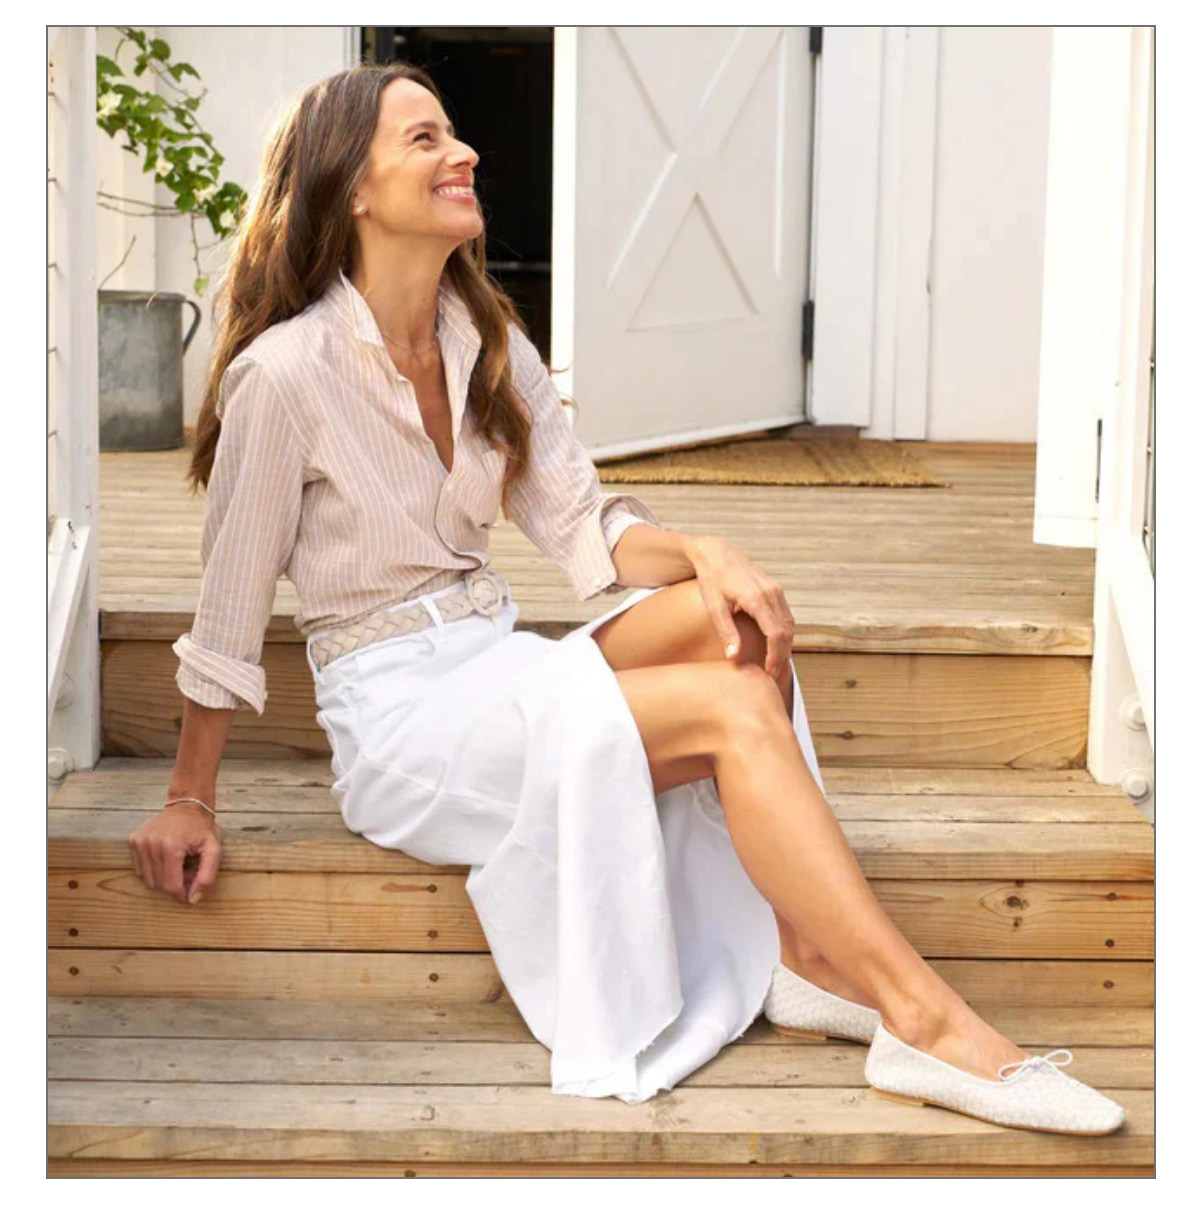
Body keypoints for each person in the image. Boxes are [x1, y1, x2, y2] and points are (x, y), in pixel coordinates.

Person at [128, 63, 1125, 1133]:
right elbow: (229, 611)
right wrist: (191, 793)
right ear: (352, 190)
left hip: (498, 657)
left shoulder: (487, 347)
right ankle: (925, 1022)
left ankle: (803, 955)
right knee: (735, 708)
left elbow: (586, 529)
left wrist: (707, 552)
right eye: (424, 140)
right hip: (403, 719)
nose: (462, 153)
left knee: (731, 616)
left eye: (453, 134)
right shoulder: (284, 374)